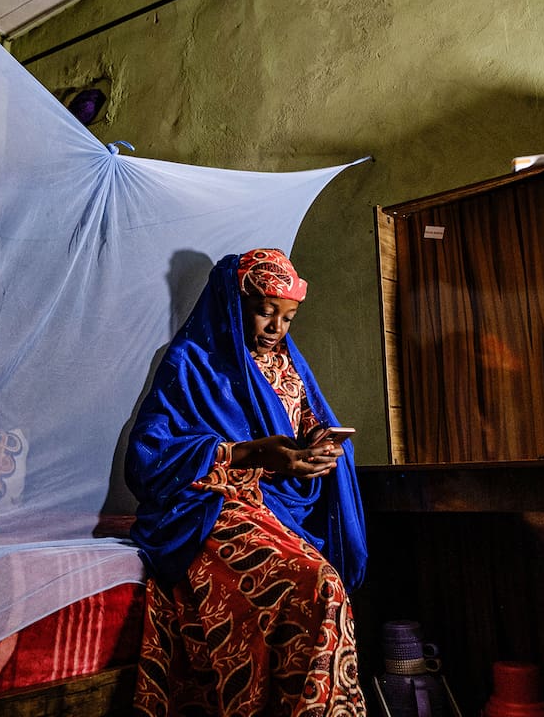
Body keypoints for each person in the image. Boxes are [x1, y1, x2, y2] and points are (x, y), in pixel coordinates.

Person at [125, 248, 369, 717]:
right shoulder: (192, 361)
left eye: (289, 317)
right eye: (265, 312)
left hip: (278, 504)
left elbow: (308, 424)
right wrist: (251, 453)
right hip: (214, 501)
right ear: (234, 305)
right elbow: (147, 458)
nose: (277, 328)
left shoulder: (289, 367)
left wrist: (316, 447)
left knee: (322, 587)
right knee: (320, 586)